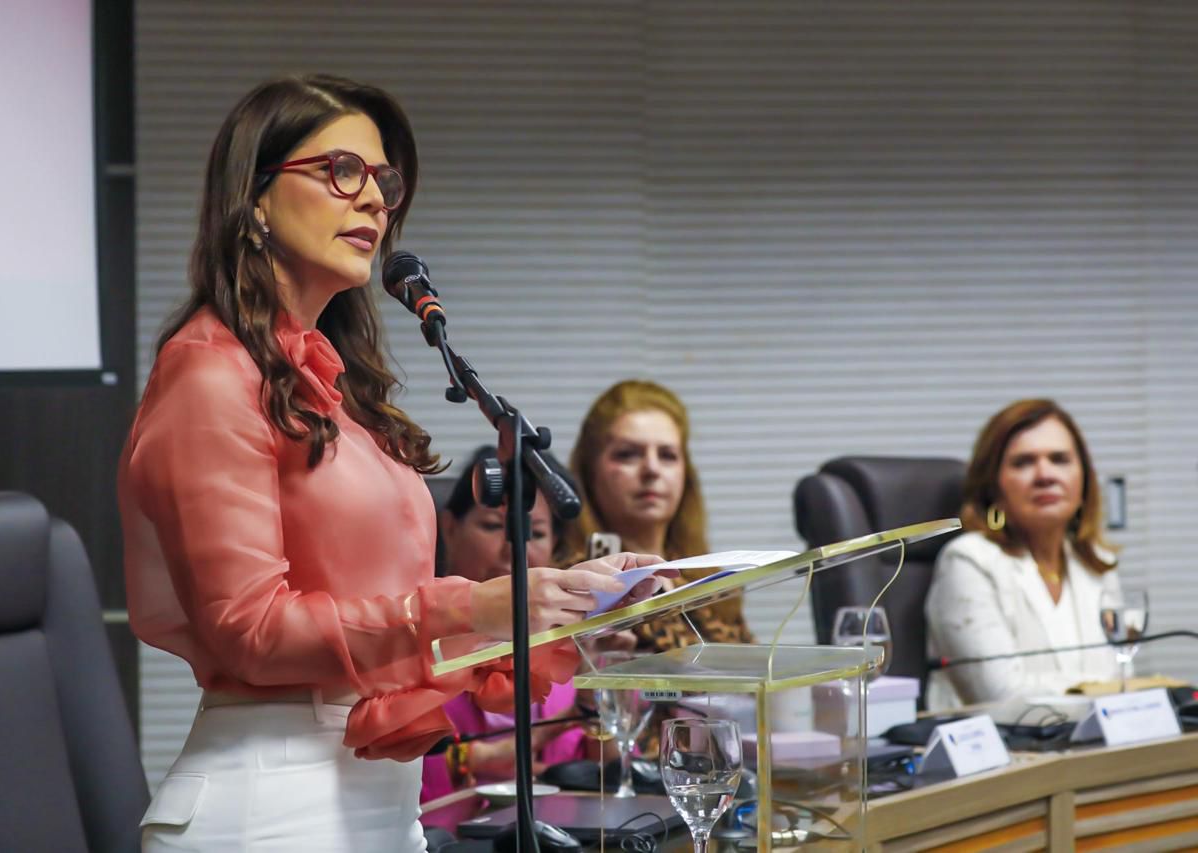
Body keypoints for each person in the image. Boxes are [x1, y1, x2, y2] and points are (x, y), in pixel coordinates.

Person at [118, 74, 660, 851]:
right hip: (270, 809)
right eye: (342, 171)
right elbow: (250, 629)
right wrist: (477, 604)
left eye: (383, 180)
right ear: (256, 197)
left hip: (377, 808)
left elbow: (384, 624)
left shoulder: (331, 384)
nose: (374, 199)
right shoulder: (208, 372)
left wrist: (559, 613)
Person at [422, 446, 596, 802]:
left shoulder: (576, 648)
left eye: (536, 533)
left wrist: (597, 699)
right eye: (492, 526)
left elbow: (610, 774)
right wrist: (472, 760)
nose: (514, 548)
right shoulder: (409, 635)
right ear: (449, 528)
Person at [925, 399, 1122, 710]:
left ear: (1083, 478)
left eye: (1059, 459)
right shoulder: (968, 561)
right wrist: (1103, 691)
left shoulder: (1097, 563)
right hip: (1002, 740)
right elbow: (1001, 696)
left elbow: (1123, 674)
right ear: (993, 485)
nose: (1045, 475)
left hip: (1094, 739)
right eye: (1023, 462)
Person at [564, 379, 754, 653]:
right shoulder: (575, 582)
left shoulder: (711, 579)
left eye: (667, 455)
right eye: (628, 454)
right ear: (590, 471)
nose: (652, 469)